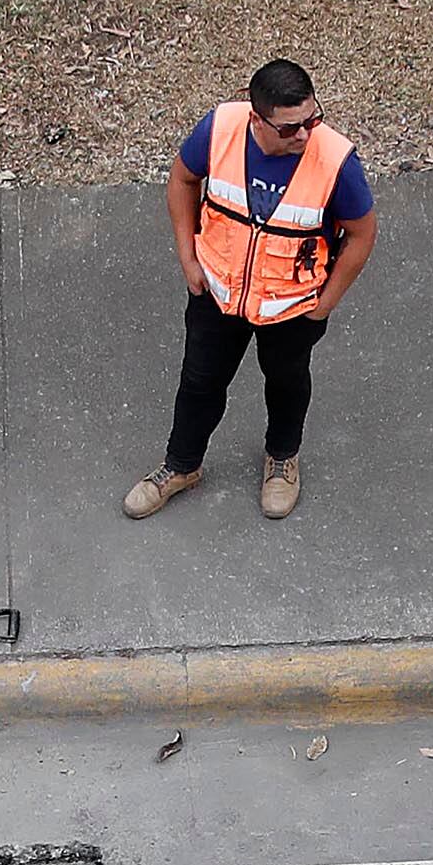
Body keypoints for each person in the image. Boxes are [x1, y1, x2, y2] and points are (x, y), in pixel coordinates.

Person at [124, 60, 376, 525]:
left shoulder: (335, 159)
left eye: (311, 120)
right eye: (290, 128)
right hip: (217, 294)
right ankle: (181, 466)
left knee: (286, 383)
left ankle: (282, 461)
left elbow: (362, 233)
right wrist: (187, 257)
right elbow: (182, 179)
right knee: (199, 382)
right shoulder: (220, 129)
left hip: (291, 307)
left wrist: (325, 305)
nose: (304, 135)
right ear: (256, 118)